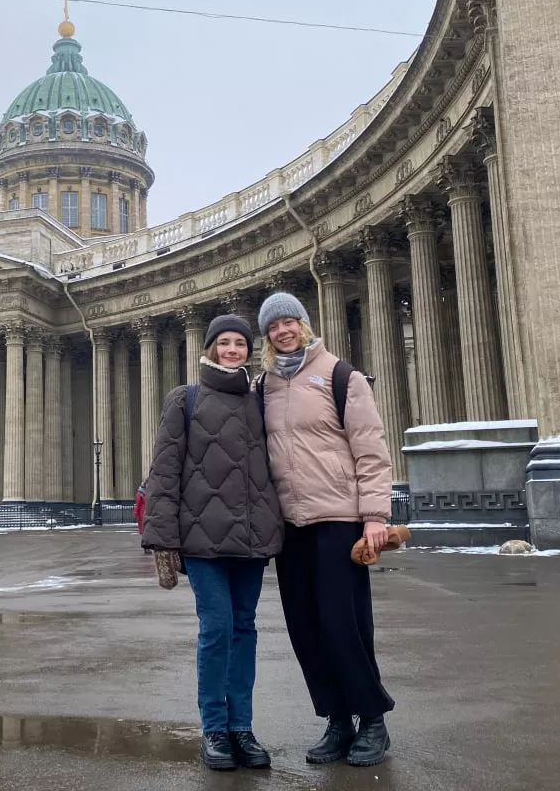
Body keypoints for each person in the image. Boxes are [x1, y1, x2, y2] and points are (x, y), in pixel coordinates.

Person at [257, 291, 396, 768]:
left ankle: (372, 719)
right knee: (306, 629)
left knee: (344, 624)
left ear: (304, 324)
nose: (282, 331)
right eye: (273, 326)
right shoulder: (266, 387)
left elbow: (371, 449)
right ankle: (337, 719)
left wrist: (375, 515)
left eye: (289, 322)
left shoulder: (340, 376)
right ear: (268, 336)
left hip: (338, 518)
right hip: (290, 525)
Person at [141, 314, 284, 771]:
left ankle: (242, 727)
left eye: (240, 343)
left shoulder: (262, 400)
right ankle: (215, 730)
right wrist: (163, 541)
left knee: (244, 631)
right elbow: (164, 472)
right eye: (223, 342)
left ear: (249, 350)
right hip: (201, 541)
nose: (232, 350)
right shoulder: (185, 399)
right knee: (217, 629)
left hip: (251, 539)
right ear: (209, 349)